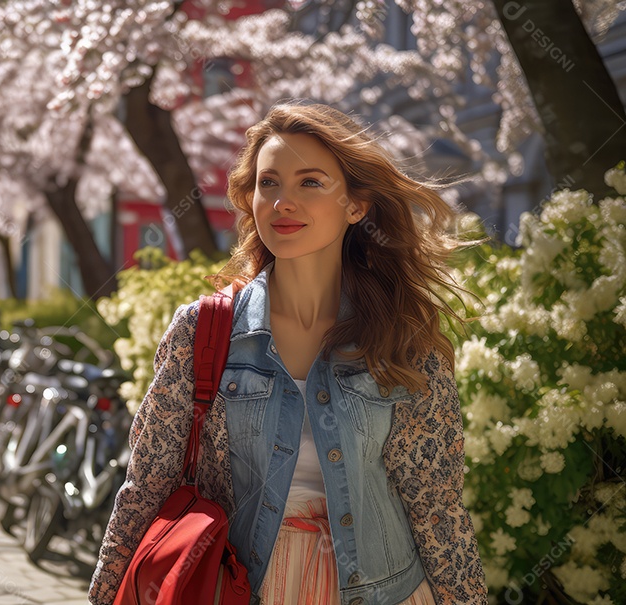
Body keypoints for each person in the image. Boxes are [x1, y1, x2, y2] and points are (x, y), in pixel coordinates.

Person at [89, 102, 487, 605]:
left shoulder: (402, 338)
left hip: (384, 591)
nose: (282, 202)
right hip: (237, 588)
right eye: (269, 183)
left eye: (311, 183)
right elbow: (146, 485)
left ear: (356, 205)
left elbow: (435, 502)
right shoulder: (203, 331)